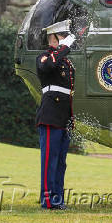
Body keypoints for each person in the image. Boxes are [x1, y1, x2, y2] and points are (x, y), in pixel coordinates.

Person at [36, 20, 76, 210]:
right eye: (62, 36)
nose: (66, 39)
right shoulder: (45, 57)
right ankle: (48, 200)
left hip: (63, 116)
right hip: (51, 114)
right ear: (52, 37)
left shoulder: (64, 60)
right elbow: (48, 68)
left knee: (61, 162)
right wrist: (64, 47)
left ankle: (58, 198)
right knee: (49, 161)